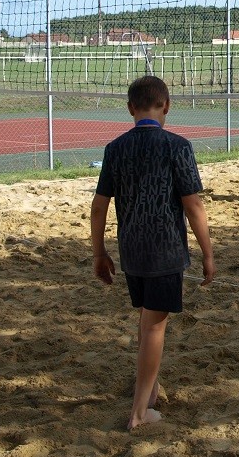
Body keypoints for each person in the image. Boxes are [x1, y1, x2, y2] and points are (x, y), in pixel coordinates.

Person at [90, 75, 215, 431]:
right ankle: (139, 413)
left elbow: (99, 207)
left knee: (148, 321)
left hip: (131, 251)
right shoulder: (177, 146)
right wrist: (208, 253)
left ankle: (151, 388)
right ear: (167, 106)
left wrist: (99, 253)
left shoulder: (115, 148)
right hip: (164, 251)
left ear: (130, 108)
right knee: (154, 328)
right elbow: (192, 205)